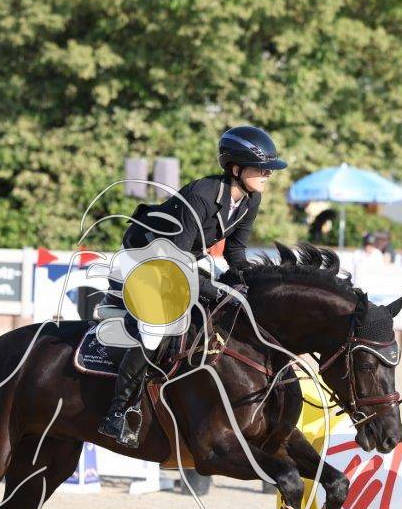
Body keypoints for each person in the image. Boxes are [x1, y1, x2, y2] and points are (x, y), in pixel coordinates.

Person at [98, 124, 287, 445]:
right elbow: (175, 260)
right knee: (156, 328)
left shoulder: (250, 199)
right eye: (261, 168)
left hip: (183, 257)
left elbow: (236, 252)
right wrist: (214, 290)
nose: (268, 174)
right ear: (236, 169)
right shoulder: (202, 194)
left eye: (269, 169)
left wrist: (252, 284)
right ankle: (118, 411)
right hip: (147, 257)